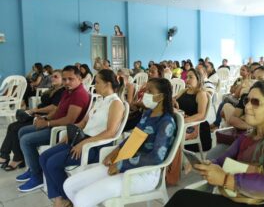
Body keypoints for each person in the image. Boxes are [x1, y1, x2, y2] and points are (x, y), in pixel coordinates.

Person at [166, 81, 264, 207]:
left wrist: (225, 179)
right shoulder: (247, 137)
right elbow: (221, 161)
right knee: (182, 197)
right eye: (247, 100)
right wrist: (206, 165)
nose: (248, 106)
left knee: (183, 199)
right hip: (246, 194)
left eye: (255, 102)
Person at [64, 78, 176, 207]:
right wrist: (114, 152)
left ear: (161, 96)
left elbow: (156, 157)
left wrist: (121, 165)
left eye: (150, 91)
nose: (145, 94)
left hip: (144, 173)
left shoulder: (166, 122)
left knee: (82, 199)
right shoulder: (147, 114)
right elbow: (133, 138)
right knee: (69, 185)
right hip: (124, 160)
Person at [40, 69, 124, 207]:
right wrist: (71, 132)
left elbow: (110, 132)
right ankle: (61, 197)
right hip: (81, 140)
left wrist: (84, 143)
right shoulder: (99, 100)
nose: (94, 85)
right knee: (44, 157)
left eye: (97, 82)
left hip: (95, 146)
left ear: (107, 84)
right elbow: (84, 122)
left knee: (52, 163)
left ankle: (68, 198)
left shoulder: (115, 103)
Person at [16, 66, 90, 192]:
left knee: (26, 140)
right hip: (54, 124)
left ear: (79, 79)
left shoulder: (79, 95)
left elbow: (69, 120)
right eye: (65, 79)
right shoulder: (68, 91)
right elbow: (57, 110)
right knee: (22, 131)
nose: (66, 82)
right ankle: (33, 168)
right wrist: (44, 119)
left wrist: (48, 124)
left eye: (70, 79)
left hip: (62, 131)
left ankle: (37, 176)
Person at [0, 70, 65, 171]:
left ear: (62, 79)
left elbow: (53, 108)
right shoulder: (52, 90)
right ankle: (6, 156)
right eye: (52, 76)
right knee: (12, 126)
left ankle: (15, 158)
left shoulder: (62, 92)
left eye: (56, 77)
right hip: (38, 115)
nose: (52, 78)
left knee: (16, 127)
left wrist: (35, 110)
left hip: (44, 117)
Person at [175, 68, 208, 140]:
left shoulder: (201, 94)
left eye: (190, 77)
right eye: (186, 77)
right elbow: (172, 100)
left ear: (198, 79)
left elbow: (201, 115)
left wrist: (182, 121)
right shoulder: (184, 91)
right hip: (181, 122)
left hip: (194, 126)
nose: (187, 80)